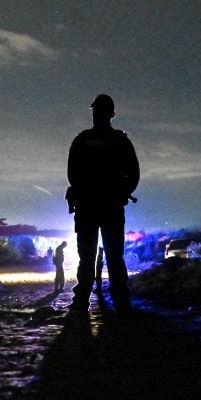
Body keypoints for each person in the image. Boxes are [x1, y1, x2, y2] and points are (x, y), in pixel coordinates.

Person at [65, 94, 140, 312]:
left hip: (91, 207)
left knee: (91, 257)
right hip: (109, 207)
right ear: (112, 115)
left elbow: (72, 174)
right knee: (112, 256)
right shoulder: (120, 141)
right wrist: (121, 191)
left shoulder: (82, 140)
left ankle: (83, 300)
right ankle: (120, 300)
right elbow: (133, 174)